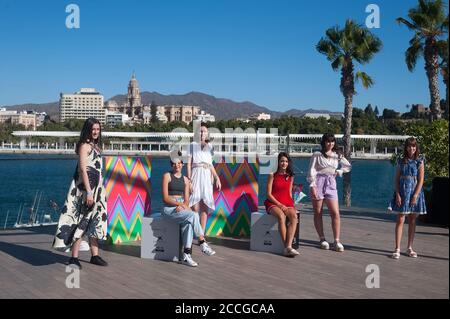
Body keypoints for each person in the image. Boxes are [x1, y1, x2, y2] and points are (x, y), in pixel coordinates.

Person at [52, 117, 108, 268]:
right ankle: (74, 258)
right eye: (93, 129)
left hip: (96, 190)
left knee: (93, 221)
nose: (96, 132)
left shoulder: (96, 146)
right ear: (88, 130)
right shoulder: (84, 146)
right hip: (85, 190)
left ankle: (94, 255)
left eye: (97, 129)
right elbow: (83, 169)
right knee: (81, 221)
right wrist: (89, 192)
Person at [162, 155, 216, 267]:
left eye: (179, 163)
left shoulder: (186, 180)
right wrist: (179, 204)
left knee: (188, 223)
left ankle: (187, 254)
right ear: (171, 165)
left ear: (182, 164)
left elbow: (187, 201)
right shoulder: (167, 176)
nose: (177, 165)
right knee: (193, 215)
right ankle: (202, 242)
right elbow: (166, 198)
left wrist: (183, 205)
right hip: (168, 209)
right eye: (174, 163)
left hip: (181, 208)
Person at [307, 133, 351, 252]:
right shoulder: (317, 154)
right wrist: (312, 186)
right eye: (327, 141)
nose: (330, 144)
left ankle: (336, 240)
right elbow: (311, 170)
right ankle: (322, 239)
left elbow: (348, 166)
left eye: (332, 141)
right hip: (318, 182)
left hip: (331, 183)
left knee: (335, 213)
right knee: (318, 212)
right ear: (323, 142)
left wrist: (338, 172)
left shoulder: (337, 155)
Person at [388, 137, 427, 259]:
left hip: (415, 192)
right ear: (406, 147)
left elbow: (421, 180)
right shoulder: (401, 161)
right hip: (403, 191)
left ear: (416, 148)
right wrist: (398, 194)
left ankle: (409, 247)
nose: (412, 148)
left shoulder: (420, 161)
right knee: (400, 219)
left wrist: (415, 195)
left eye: (414, 146)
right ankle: (397, 248)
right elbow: (396, 179)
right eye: (409, 146)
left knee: (412, 220)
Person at [187, 122, 221, 233]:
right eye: (200, 131)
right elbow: (188, 164)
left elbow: (211, 164)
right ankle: (194, 231)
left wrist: (216, 177)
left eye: (204, 131)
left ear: (207, 133)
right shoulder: (192, 145)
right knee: (195, 206)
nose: (202, 133)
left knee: (205, 205)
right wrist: (189, 181)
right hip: (196, 174)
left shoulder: (210, 147)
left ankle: (202, 235)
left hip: (207, 175)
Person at [264, 152, 299, 257]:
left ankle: (288, 247)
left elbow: (289, 193)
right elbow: (268, 194)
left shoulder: (290, 176)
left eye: (286, 161)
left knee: (294, 216)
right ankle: (287, 247)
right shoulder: (272, 175)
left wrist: (292, 205)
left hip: (287, 202)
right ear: (278, 162)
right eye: (282, 161)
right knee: (281, 216)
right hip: (273, 202)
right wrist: (280, 205)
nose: (284, 163)